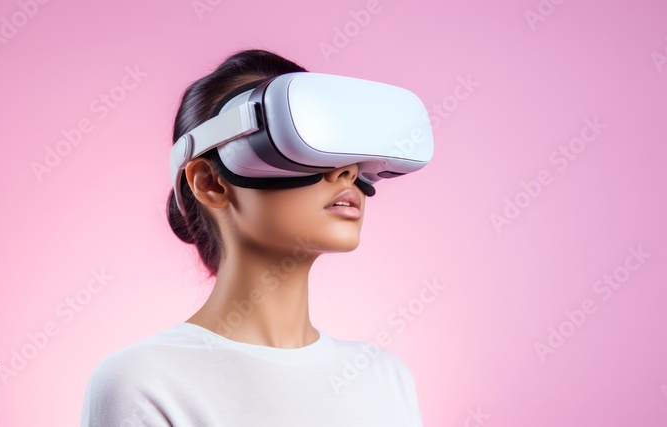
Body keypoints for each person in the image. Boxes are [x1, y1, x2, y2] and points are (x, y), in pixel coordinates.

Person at [79, 49, 424, 426]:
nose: (346, 172)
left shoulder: (385, 379)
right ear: (209, 183)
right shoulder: (142, 382)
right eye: (300, 142)